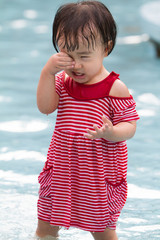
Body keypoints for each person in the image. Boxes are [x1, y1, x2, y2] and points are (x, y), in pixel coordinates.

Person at [35, 1, 139, 240]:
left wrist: (110, 132)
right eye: (67, 55)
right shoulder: (61, 81)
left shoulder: (115, 88)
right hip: (63, 170)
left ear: (106, 48)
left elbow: (130, 126)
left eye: (84, 55)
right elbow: (45, 107)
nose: (76, 64)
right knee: (46, 228)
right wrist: (47, 72)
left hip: (97, 175)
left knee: (103, 231)